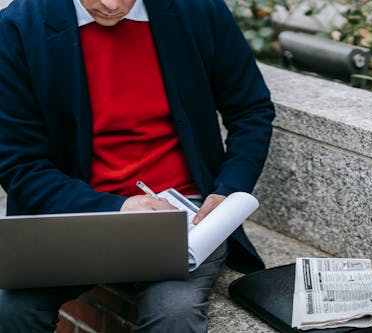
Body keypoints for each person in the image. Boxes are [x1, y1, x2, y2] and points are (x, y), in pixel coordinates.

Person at [0, 0, 275, 331]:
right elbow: (19, 164)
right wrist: (116, 206)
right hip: (75, 213)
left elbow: (251, 109)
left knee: (175, 315)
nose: (110, 4)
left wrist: (229, 190)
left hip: (186, 216)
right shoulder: (16, 28)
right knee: (9, 309)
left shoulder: (198, 10)